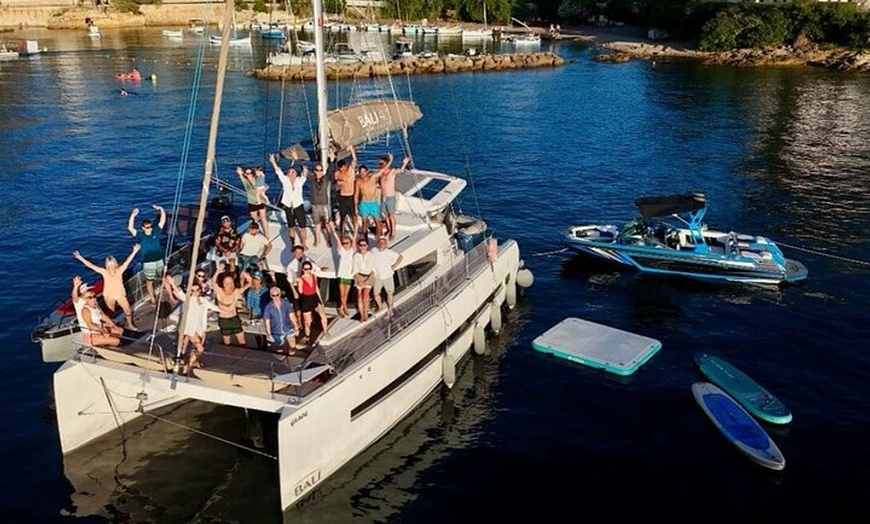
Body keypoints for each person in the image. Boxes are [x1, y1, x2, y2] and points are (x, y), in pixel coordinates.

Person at [73, 243, 141, 330]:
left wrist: (134, 251)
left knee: (127, 310)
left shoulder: (120, 270)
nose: (111, 266)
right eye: (109, 265)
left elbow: (128, 261)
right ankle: (111, 326)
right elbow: (91, 265)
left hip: (120, 294)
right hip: (109, 295)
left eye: (112, 264)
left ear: (115, 264)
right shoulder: (104, 272)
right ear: (107, 265)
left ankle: (130, 324)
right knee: (110, 312)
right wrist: (80, 258)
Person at [162, 275, 218, 374]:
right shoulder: (189, 299)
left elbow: (215, 308)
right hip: (190, 328)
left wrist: (229, 310)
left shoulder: (204, 301)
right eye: (192, 291)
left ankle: (190, 363)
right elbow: (179, 293)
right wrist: (172, 284)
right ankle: (187, 366)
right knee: (199, 348)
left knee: (194, 347)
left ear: (200, 290)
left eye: (197, 290)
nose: (195, 292)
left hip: (200, 328)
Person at [127, 204, 166, 305]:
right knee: (150, 281)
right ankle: (153, 299)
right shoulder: (141, 236)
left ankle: (170, 294)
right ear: (143, 228)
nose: (149, 228)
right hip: (148, 262)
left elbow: (162, 221)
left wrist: (161, 209)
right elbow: (130, 228)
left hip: (159, 260)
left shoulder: (156, 232)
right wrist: (133, 215)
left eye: (150, 226)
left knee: (164, 277)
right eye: (147, 227)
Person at [72, 275, 123, 347]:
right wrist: (76, 286)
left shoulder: (94, 304)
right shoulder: (80, 304)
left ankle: (107, 342)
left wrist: (113, 325)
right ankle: (107, 347)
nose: (91, 295)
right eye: (87, 291)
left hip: (99, 327)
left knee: (119, 331)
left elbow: (103, 316)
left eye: (93, 295)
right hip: (92, 332)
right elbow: (74, 297)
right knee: (116, 340)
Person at [270, 152, 307, 247]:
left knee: (302, 227)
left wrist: (297, 159)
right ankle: (292, 243)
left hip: (298, 206)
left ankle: (303, 243)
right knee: (291, 226)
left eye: (294, 172)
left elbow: (305, 171)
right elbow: (278, 171)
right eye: (291, 172)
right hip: (288, 206)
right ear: (288, 174)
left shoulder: (300, 180)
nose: (293, 173)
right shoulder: (285, 180)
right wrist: (273, 162)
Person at [212, 261, 252, 347]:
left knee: (242, 342)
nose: (227, 284)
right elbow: (213, 282)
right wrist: (217, 272)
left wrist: (248, 278)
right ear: (222, 283)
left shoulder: (236, 292)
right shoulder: (219, 291)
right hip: (223, 319)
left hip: (234, 318)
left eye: (230, 282)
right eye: (226, 282)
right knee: (227, 343)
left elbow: (249, 284)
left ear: (232, 283)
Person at [376, 152, 411, 240]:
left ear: (386, 163)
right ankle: (389, 229)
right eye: (379, 163)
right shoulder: (381, 173)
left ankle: (393, 232)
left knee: (391, 215)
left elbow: (400, 170)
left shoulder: (391, 172)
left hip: (390, 197)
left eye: (381, 163)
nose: (380, 165)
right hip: (383, 197)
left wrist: (404, 163)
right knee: (386, 214)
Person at [295, 261, 328, 341]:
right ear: (303, 269)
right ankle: (307, 336)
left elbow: (316, 288)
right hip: (306, 299)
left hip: (314, 297)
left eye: (309, 269)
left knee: (323, 316)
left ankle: (325, 331)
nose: (308, 270)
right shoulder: (301, 279)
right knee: (308, 322)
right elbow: (301, 291)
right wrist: (299, 282)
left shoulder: (314, 276)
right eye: (306, 269)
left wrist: (321, 300)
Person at [371, 236, 403, 316]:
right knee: (375, 293)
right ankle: (380, 307)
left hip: (388, 276)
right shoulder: (373, 251)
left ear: (385, 245)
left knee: (389, 293)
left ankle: (390, 308)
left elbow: (400, 257)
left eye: (383, 243)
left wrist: (394, 266)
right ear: (377, 243)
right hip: (377, 276)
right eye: (380, 242)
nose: (381, 244)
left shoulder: (389, 252)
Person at [262, 287, 299, 355]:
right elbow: (267, 321)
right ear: (271, 296)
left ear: (280, 294)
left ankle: (291, 358)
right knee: (279, 348)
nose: (275, 297)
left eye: (277, 295)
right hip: (276, 330)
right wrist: (269, 333)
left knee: (293, 346)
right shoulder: (268, 307)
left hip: (287, 328)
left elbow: (292, 315)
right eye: (273, 295)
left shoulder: (286, 303)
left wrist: (296, 327)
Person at [237, 165, 270, 237]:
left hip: (261, 201)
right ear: (245, 174)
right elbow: (240, 175)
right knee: (255, 220)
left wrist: (264, 189)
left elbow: (266, 185)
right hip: (252, 202)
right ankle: (256, 234)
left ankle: (267, 235)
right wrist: (239, 171)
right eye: (247, 173)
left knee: (263, 218)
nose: (250, 174)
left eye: (251, 173)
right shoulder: (245, 181)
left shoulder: (257, 179)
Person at [307, 159, 333, 247]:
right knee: (317, 223)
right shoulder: (312, 178)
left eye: (321, 170)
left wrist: (332, 160)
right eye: (317, 170)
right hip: (314, 205)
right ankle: (317, 239)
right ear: (314, 171)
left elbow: (330, 170)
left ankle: (329, 239)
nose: (319, 172)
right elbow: (304, 169)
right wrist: (297, 159)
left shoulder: (325, 178)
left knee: (327, 223)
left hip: (324, 204)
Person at [334, 144, 357, 239]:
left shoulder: (350, 170)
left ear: (345, 166)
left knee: (353, 216)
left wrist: (351, 150)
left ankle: (355, 232)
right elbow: (335, 183)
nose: (342, 171)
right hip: (342, 196)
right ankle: (342, 234)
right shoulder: (337, 173)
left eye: (343, 169)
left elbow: (354, 160)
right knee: (342, 216)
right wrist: (339, 182)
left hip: (350, 195)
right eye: (341, 169)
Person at [355, 163, 383, 239]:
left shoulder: (372, 178)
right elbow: (356, 194)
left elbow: (381, 171)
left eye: (363, 172)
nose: (362, 174)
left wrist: (390, 160)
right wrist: (355, 206)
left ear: (367, 172)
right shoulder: (358, 181)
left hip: (373, 202)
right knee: (364, 222)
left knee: (377, 221)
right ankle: (365, 238)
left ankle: (379, 237)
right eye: (360, 172)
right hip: (364, 203)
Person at [245, 269, 270, 350]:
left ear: (261, 280)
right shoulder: (250, 291)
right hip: (255, 313)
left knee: (263, 331)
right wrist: (250, 315)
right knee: (256, 331)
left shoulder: (265, 290)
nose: (256, 281)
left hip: (264, 313)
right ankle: (259, 345)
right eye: (255, 279)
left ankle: (265, 345)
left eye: (258, 279)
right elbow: (249, 304)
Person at [352, 237, 374, 321]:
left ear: (367, 246)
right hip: (359, 276)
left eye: (364, 245)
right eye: (361, 245)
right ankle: (361, 315)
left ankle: (365, 312)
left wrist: (368, 280)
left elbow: (373, 269)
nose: (362, 247)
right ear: (358, 246)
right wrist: (359, 279)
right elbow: (355, 269)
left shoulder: (371, 255)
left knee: (365, 295)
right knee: (359, 296)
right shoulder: (356, 256)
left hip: (369, 276)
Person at [333, 231, 355, 318]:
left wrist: (354, 231)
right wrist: (332, 229)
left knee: (346, 294)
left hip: (349, 275)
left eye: (347, 243)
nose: (345, 244)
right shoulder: (341, 251)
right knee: (342, 294)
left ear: (350, 243)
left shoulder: (352, 250)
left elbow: (354, 238)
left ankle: (343, 306)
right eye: (344, 243)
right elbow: (338, 240)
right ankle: (342, 308)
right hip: (342, 274)